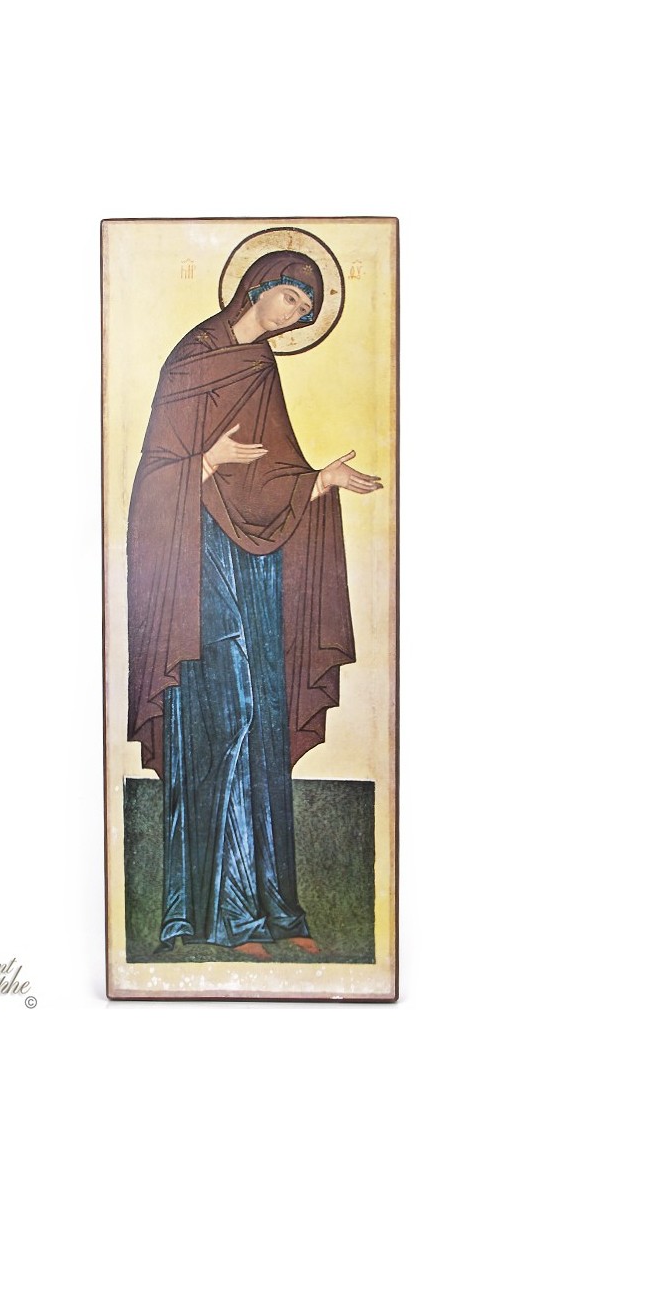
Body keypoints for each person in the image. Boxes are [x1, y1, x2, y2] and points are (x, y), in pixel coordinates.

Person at [127, 248, 382, 958]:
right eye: (292, 299)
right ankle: (222, 913)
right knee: (226, 712)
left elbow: (275, 476)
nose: (296, 315)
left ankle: (274, 908)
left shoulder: (262, 369)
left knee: (262, 713)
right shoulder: (192, 360)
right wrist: (207, 463)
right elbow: (154, 477)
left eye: (307, 310)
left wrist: (318, 482)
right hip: (196, 558)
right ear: (259, 287)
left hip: (256, 565)